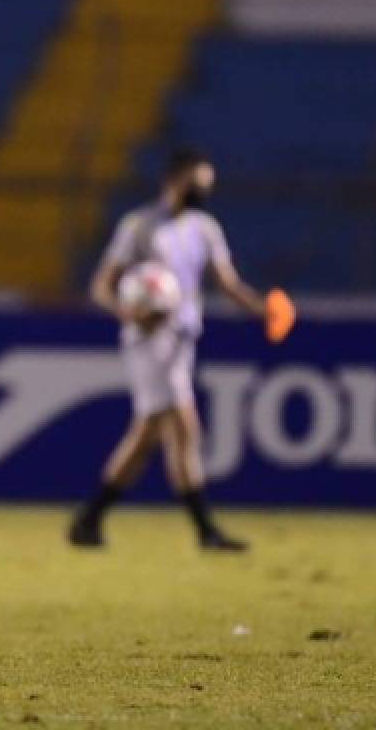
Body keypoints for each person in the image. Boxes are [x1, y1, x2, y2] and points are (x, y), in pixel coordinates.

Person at [69, 147, 266, 552]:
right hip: (149, 341)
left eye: (207, 187)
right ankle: (206, 532)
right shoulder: (140, 226)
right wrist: (129, 313)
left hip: (183, 340)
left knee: (146, 437)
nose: (201, 192)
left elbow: (227, 282)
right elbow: (102, 286)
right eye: (196, 184)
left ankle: (88, 521)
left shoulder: (204, 228)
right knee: (184, 426)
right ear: (173, 180)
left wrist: (262, 309)